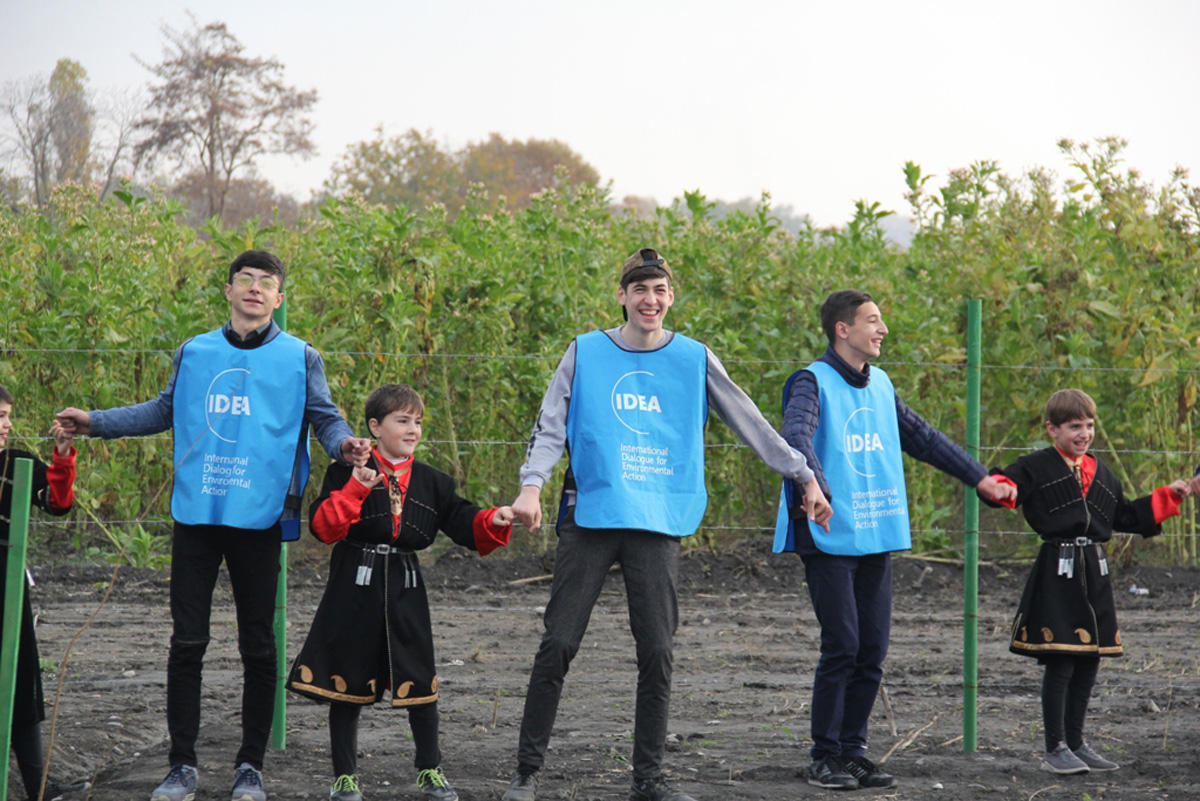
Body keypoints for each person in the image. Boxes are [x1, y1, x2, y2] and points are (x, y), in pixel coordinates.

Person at [500, 248, 831, 801]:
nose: (650, 300)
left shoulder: (694, 358)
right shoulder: (584, 352)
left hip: (658, 520)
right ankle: (526, 774)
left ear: (670, 297)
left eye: (659, 290)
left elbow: (750, 421)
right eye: (639, 290)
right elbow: (550, 426)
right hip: (593, 516)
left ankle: (649, 780)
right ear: (622, 296)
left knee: (657, 650)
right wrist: (530, 487)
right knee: (558, 643)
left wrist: (803, 474)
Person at [55, 250, 371, 801]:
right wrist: (96, 423)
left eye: (266, 283)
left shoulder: (301, 357)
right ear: (228, 292)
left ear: (278, 298)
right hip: (197, 513)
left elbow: (324, 418)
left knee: (258, 646)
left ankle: (250, 767)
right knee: (188, 642)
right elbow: (162, 410)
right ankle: (181, 767)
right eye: (244, 280)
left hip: (261, 517)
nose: (254, 289)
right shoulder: (195, 352)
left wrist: (343, 445)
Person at [775, 289, 1015, 791]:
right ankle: (825, 756)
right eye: (873, 321)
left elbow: (924, 439)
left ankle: (853, 752)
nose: (882, 330)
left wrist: (980, 478)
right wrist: (813, 483)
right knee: (842, 642)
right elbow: (795, 436)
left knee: (872, 648)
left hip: (873, 530)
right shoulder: (810, 382)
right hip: (826, 531)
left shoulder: (880, 385)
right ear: (843, 329)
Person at [286, 383, 514, 801]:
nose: (413, 430)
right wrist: (357, 487)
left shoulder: (433, 482)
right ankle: (345, 777)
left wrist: (494, 518)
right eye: (402, 420)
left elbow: (462, 520)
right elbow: (323, 527)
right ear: (375, 426)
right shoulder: (344, 471)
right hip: (354, 585)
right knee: (346, 681)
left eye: (418, 422)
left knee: (419, 680)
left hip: (406, 588)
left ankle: (430, 770)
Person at [982, 388, 1188, 775]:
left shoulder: (1100, 472)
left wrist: (1168, 496)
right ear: (1052, 429)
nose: (1084, 433)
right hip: (1057, 571)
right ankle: (1054, 747)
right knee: (1062, 659)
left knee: (1089, 660)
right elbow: (1003, 487)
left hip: (1095, 570)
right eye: (1075, 426)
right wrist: (1002, 488)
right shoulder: (1036, 467)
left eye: (1089, 425)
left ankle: (1076, 742)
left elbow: (1124, 516)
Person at [0, 386, 89, 801]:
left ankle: (36, 787)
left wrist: (62, 455)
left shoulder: (16, 463)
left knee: (20, 679)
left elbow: (57, 502)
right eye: (0, 416)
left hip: (8, 588)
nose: (8, 424)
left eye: (8, 416)